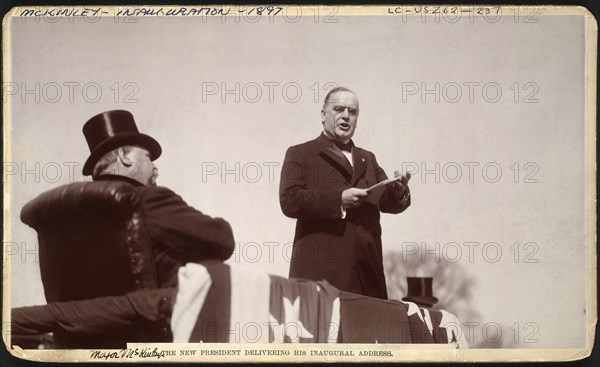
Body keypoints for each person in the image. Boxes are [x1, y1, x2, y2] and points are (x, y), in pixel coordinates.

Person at [279, 87, 411, 300]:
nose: (346, 116)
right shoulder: (300, 153)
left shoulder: (368, 159)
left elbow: (387, 203)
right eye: (339, 109)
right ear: (323, 115)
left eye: (353, 111)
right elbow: (289, 200)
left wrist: (398, 191)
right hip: (321, 280)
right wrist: (338, 200)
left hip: (368, 280)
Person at [82, 110, 235, 287]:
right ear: (125, 157)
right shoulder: (146, 200)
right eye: (148, 157)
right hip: (158, 312)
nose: (156, 169)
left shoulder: (71, 217)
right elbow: (221, 239)